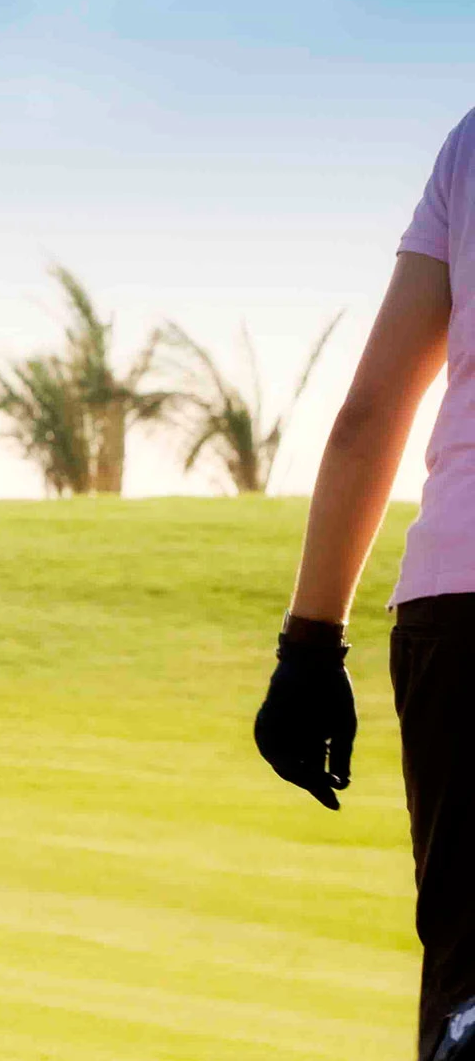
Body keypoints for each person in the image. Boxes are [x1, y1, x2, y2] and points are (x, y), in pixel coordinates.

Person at [254, 105, 473, 1060]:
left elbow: (369, 411)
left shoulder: (470, 146)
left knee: (470, 982)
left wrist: (308, 647)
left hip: (458, 617)